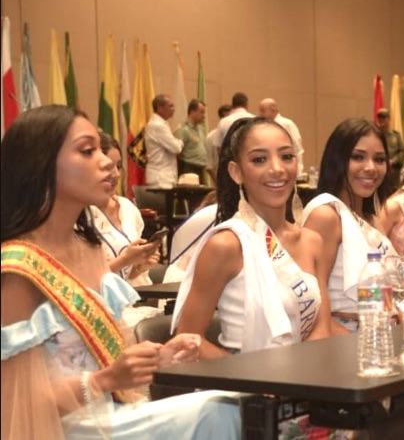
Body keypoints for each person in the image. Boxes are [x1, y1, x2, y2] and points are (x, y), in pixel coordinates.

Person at [1, 105, 240, 439]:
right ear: (40, 164)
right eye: (87, 151)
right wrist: (106, 380)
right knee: (219, 411)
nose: (106, 164)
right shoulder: (16, 270)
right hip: (58, 430)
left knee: (233, 407)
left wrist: (157, 358)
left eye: (102, 150)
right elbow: (12, 404)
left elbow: (106, 357)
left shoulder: (90, 248)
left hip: (111, 414)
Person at [173, 116, 327, 360]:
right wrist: (253, 378)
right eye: (259, 159)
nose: (277, 168)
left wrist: (298, 381)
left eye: (286, 156)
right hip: (240, 391)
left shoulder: (312, 241)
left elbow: (322, 328)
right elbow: (187, 341)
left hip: (304, 386)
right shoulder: (227, 245)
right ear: (236, 172)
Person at [300, 118, 396, 334]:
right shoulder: (326, 215)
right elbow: (312, 307)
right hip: (346, 338)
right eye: (358, 157)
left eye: (379, 159)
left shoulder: (372, 218)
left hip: (384, 333)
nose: (371, 167)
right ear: (338, 159)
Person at [90, 134, 161, 290]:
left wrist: (140, 265)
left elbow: (129, 276)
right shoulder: (78, 215)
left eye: (119, 166)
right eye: (108, 167)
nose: (116, 174)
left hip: (133, 298)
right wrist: (125, 260)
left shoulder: (128, 208)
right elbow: (81, 280)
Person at [145, 94, 184, 187]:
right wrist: (180, 142)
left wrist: (175, 141)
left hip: (164, 176)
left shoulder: (161, 123)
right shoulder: (158, 125)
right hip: (161, 177)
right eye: (170, 106)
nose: (173, 109)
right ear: (159, 108)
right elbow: (176, 148)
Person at [258, 98, 305, 170]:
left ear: (273, 110)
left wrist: (298, 169)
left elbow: (297, 148)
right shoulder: (263, 126)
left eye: (262, 110)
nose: (260, 114)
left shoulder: (287, 124)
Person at [174, 99, 208, 184]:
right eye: (202, 112)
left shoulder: (201, 129)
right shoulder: (183, 130)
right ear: (192, 112)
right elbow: (177, 152)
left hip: (200, 168)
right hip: (188, 169)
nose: (204, 116)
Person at [375, 108, 404, 194]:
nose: (382, 120)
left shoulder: (396, 136)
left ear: (389, 119)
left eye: (384, 118)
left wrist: (393, 161)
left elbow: (402, 153)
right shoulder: (375, 135)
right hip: (378, 174)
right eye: (380, 118)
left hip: (392, 176)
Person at [205, 104, 232, 185]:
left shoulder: (236, 136)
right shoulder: (210, 137)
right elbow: (209, 165)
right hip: (219, 179)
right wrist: (218, 183)